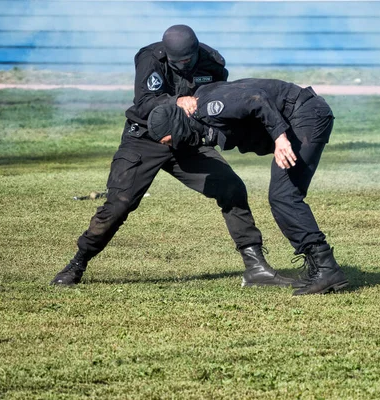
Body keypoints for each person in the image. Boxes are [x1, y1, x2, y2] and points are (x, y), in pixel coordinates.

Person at [51, 25, 293, 288]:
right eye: (177, 61)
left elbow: (218, 97)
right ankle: (78, 263)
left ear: (196, 51)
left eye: (188, 60)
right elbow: (143, 102)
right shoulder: (150, 58)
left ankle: (255, 267)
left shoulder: (213, 62)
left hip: (187, 139)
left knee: (232, 189)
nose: (182, 65)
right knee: (119, 204)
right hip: (143, 139)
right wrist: (177, 100)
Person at [146, 78, 349, 295]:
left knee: (284, 196)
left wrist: (280, 139)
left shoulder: (209, 108)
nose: (173, 145)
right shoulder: (200, 116)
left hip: (306, 115)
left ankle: (326, 269)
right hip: (303, 116)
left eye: (171, 140)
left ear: (177, 125)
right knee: (283, 196)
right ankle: (320, 268)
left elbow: (256, 99)